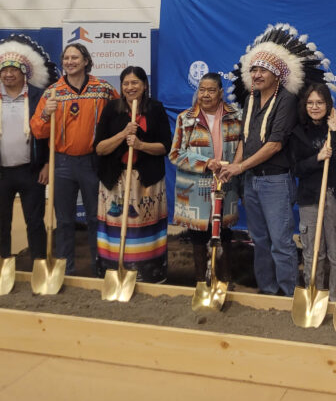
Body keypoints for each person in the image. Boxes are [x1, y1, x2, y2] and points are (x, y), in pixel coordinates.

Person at [220, 23, 336, 296]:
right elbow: (244, 141)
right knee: (259, 240)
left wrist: (240, 167)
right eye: (254, 70)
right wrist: (235, 169)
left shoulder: (287, 100)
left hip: (275, 182)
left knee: (281, 242)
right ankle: (267, 292)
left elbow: (273, 145)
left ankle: (286, 294)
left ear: (277, 74)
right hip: (252, 181)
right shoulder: (251, 100)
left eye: (262, 70)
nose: (256, 75)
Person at [30, 43, 118, 275]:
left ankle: (99, 268)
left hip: (92, 162)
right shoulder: (52, 93)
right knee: (65, 220)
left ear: (86, 61)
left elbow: (119, 116)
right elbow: (37, 131)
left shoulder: (104, 90)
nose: (70, 62)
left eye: (75, 57)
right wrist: (46, 114)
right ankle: (65, 269)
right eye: (66, 58)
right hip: (62, 163)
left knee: (95, 218)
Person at [0, 35, 57, 264]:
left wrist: (47, 163)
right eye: (4, 70)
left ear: (24, 72)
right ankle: (2, 264)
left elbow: (47, 133)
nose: (9, 74)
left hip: (31, 171)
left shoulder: (38, 97)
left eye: (14, 70)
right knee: (0, 222)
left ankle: (39, 265)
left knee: (35, 222)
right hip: (0, 174)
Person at [94, 66, 172, 282]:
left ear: (144, 85)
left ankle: (148, 275)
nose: (130, 87)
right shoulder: (111, 109)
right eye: (126, 83)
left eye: (135, 82)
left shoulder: (156, 109)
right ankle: (113, 273)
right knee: (115, 229)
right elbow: (99, 148)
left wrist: (140, 144)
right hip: (115, 183)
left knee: (144, 231)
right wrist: (123, 134)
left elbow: (166, 146)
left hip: (147, 183)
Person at [169, 72, 242, 284]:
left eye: (211, 90)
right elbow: (175, 154)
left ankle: (225, 279)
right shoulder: (186, 118)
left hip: (225, 183)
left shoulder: (236, 116)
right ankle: (201, 281)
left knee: (225, 232)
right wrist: (205, 163)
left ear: (220, 93)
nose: (206, 95)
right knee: (198, 235)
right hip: (194, 189)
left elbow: (242, 148)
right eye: (202, 90)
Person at [289, 82, 336, 300]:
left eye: (320, 103)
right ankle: (314, 297)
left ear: (328, 105)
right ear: (305, 105)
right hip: (310, 198)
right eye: (311, 103)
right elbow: (296, 168)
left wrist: (334, 131)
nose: (315, 107)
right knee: (313, 253)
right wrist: (318, 158)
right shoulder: (298, 131)